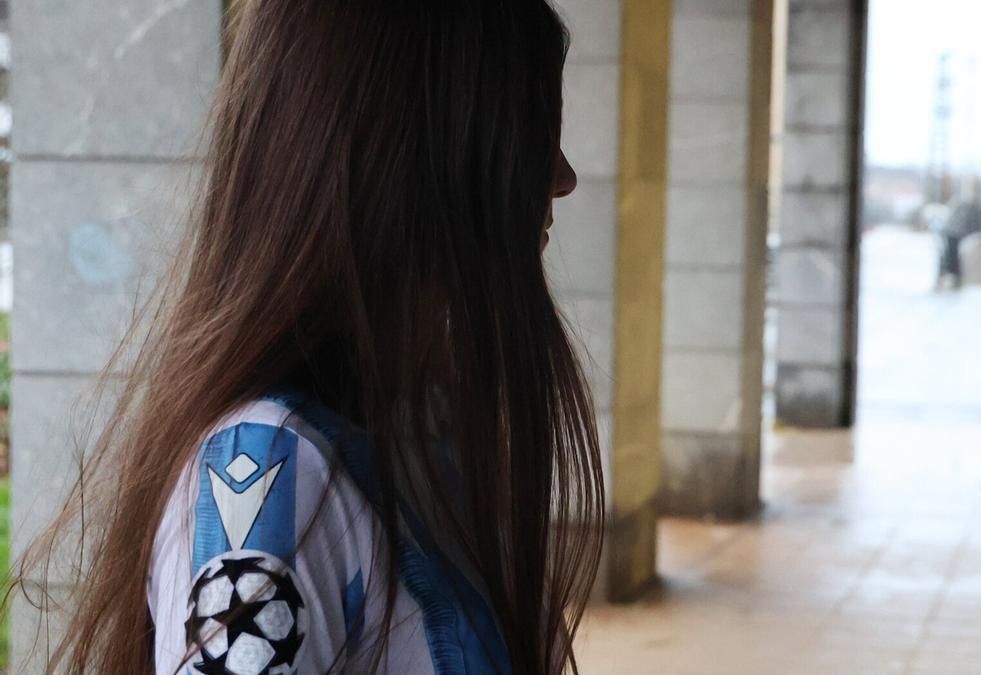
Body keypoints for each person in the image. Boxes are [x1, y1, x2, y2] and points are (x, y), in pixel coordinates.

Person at [11, 1, 605, 673]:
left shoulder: (425, 423)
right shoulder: (270, 475)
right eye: (528, 132)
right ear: (416, 151)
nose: (563, 176)